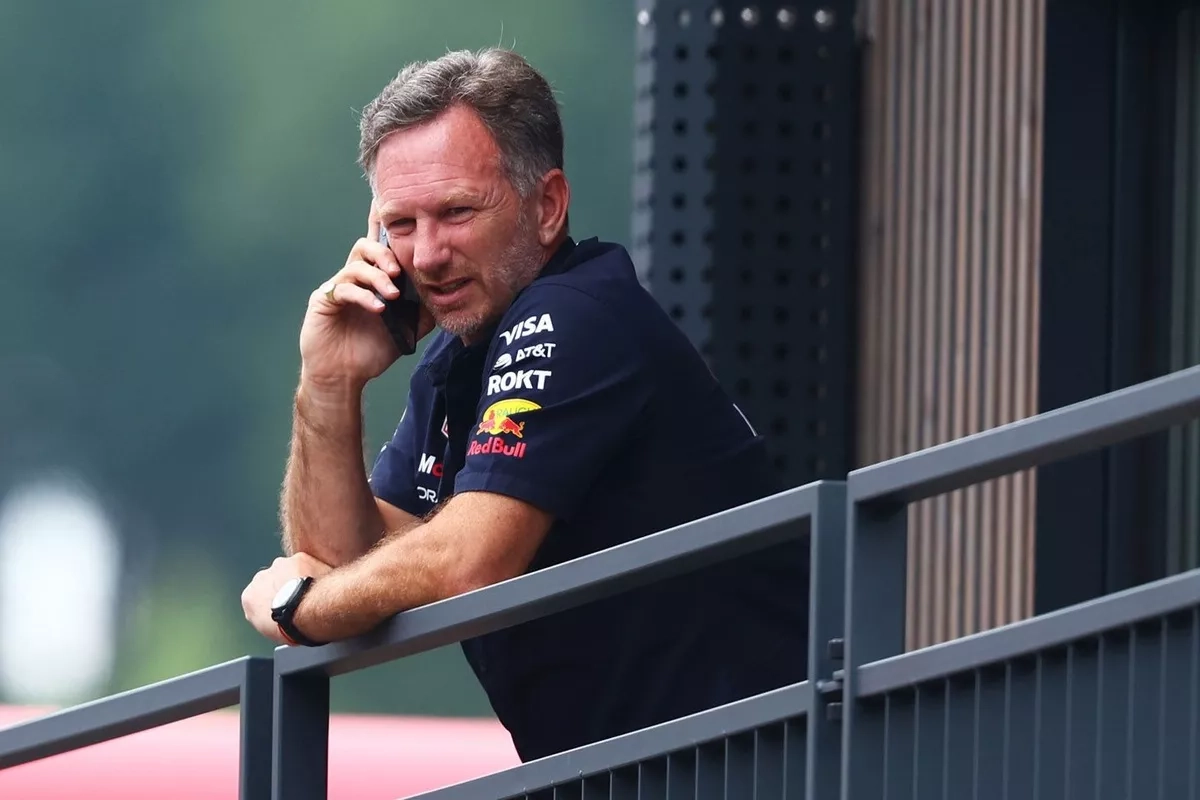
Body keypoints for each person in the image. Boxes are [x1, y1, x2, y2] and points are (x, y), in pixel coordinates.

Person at [240, 47, 809, 762]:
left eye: (455, 212)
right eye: (401, 224)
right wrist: (328, 384)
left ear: (546, 208)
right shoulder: (455, 358)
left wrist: (299, 609)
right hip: (642, 768)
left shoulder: (575, 313)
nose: (427, 254)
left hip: (759, 761)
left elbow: (468, 559)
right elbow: (348, 557)